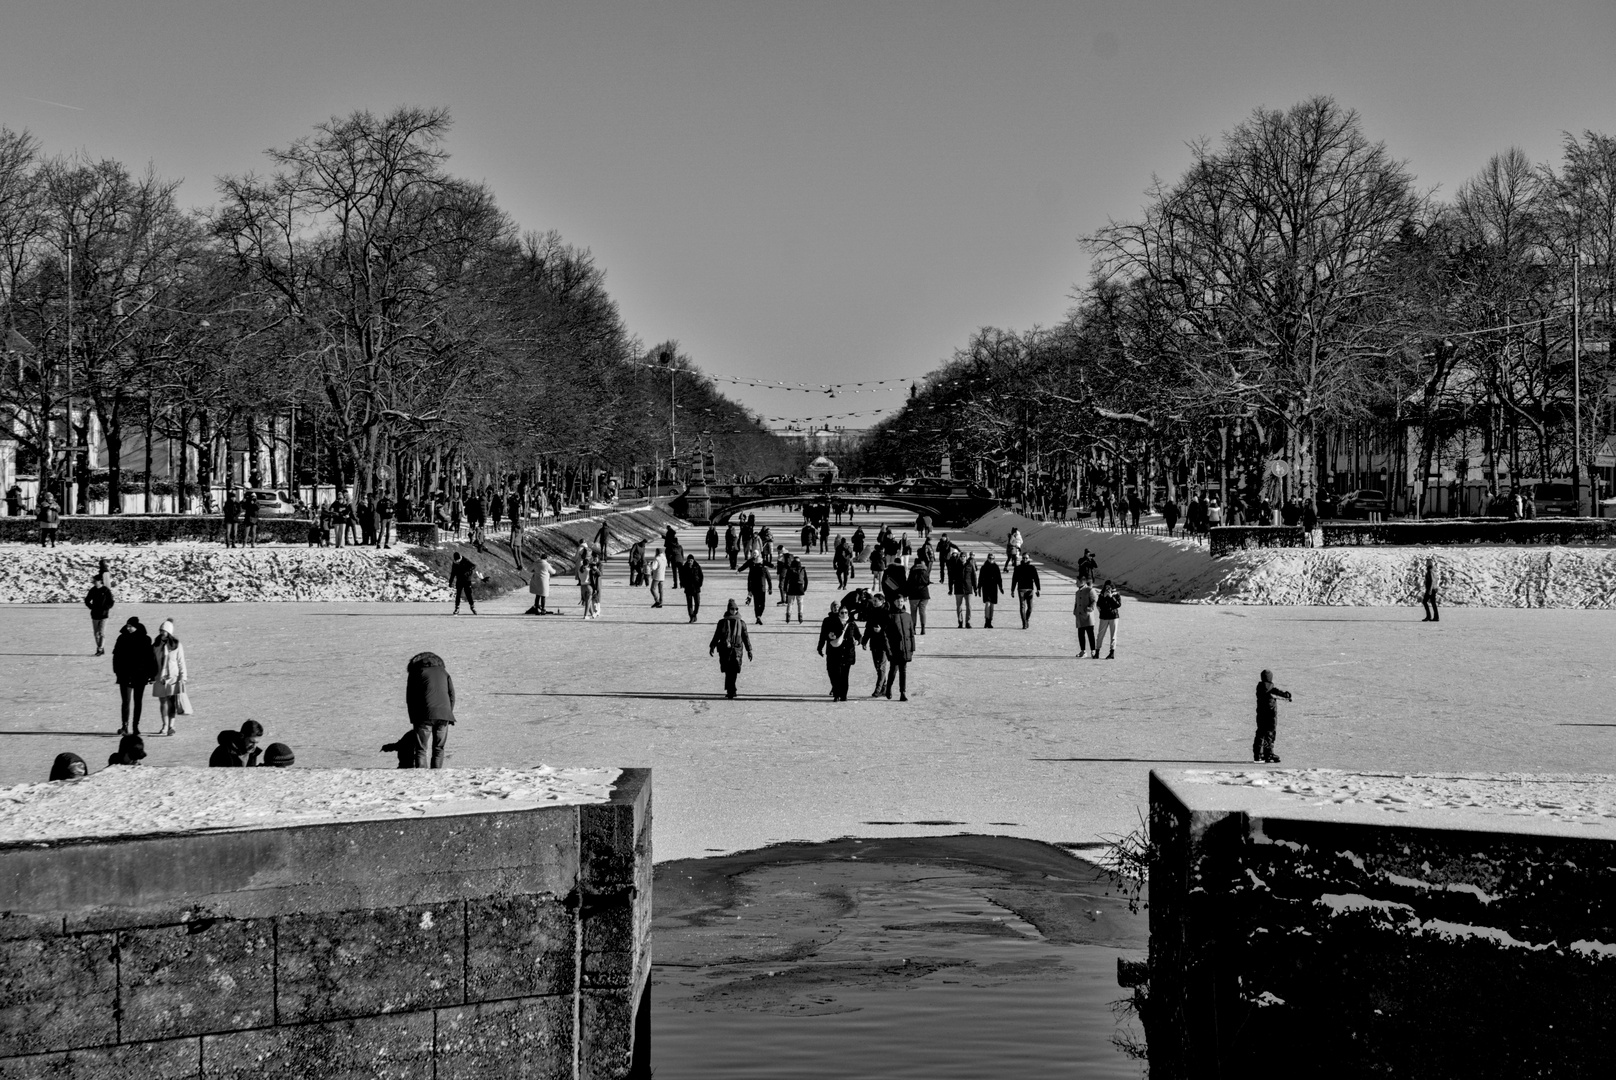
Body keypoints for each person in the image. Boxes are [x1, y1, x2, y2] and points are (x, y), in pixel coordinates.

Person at [406, 651, 456, 769]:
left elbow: (410, 698)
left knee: (421, 749)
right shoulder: (444, 672)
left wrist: (414, 718)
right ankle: (437, 776)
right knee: (439, 748)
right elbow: (452, 695)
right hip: (444, 715)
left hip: (424, 715)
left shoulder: (416, 672)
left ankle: (422, 778)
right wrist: (448, 713)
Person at [112, 617, 156, 735]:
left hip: (140, 675)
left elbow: (150, 658)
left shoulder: (146, 640)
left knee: (138, 701)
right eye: (127, 626)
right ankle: (124, 726)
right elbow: (116, 656)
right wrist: (117, 671)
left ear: (136, 627)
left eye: (130, 626)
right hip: (124, 675)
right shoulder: (121, 638)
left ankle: (135, 726)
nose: (128, 628)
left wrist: (152, 675)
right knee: (125, 701)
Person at [708, 598, 754, 699]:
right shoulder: (722, 622)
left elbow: (746, 637)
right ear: (728, 609)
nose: (734, 611)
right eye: (732, 609)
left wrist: (749, 650)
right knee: (728, 671)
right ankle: (731, 690)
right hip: (725, 649)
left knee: (734, 670)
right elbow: (717, 635)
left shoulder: (741, 623)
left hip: (737, 649)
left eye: (735, 609)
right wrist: (712, 645)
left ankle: (731, 689)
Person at [817, 602, 862, 701]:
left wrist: (857, 642)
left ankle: (843, 695)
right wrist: (823, 644)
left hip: (848, 653)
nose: (844, 614)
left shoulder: (851, 623)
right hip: (834, 652)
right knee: (834, 673)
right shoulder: (830, 621)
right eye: (842, 612)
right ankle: (837, 693)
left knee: (845, 675)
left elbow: (859, 636)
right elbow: (823, 635)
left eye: (846, 612)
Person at [150, 619, 188, 737]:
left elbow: (181, 662)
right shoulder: (156, 645)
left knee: (171, 703)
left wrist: (183, 677)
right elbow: (152, 662)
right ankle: (164, 725)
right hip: (159, 677)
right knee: (163, 702)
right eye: (161, 630)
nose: (162, 633)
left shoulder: (176, 645)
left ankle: (171, 726)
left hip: (173, 677)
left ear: (169, 632)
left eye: (164, 631)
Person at [1253, 668, 1292, 763]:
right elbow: (1282, 694)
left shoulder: (1260, 688)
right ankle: (1268, 754)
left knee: (1260, 733)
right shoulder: (1271, 689)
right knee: (1269, 733)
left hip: (1261, 715)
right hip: (1270, 715)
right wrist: (1287, 695)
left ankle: (1258, 755)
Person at [883, 595, 916, 701]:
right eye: (897, 601)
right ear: (893, 602)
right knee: (893, 670)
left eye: (901, 601)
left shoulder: (907, 616)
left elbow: (911, 633)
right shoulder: (889, 616)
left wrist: (912, 648)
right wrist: (888, 650)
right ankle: (888, 687)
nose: (899, 603)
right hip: (895, 648)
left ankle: (903, 692)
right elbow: (885, 635)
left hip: (906, 648)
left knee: (903, 670)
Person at [85, 573, 114, 656]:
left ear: (100, 581)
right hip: (95, 615)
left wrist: (106, 608)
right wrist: (92, 607)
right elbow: (87, 600)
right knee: (96, 634)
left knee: (101, 632)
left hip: (104, 615)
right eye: (94, 581)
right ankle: (100, 647)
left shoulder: (106, 590)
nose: (94, 582)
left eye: (96, 581)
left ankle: (100, 648)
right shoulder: (93, 590)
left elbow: (111, 602)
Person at [1011, 555, 1041, 629]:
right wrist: (1012, 590)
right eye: (1023, 558)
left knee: (1030, 607)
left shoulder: (1032, 568)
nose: (1025, 559)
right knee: (1022, 606)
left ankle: (1026, 620)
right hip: (1021, 589)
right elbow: (1014, 579)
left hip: (1029, 589)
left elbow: (1036, 579)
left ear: (1029, 559)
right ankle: (1024, 623)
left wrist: (1038, 589)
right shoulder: (1017, 568)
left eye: (1026, 558)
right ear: (1022, 558)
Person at [1095, 581, 1121, 660]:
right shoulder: (1102, 594)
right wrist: (1104, 597)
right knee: (1100, 634)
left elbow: (1118, 605)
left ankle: (1112, 652)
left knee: (1113, 635)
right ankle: (1097, 652)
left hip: (1113, 616)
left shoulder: (1116, 594)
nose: (1107, 588)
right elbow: (1099, 605)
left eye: (1109, 587)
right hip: (1104, 616)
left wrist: (1110, 597)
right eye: (1106, 587)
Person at [744, 555, 773, 624]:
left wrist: (749, 590)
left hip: (754, 588)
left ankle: (758, 616)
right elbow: (769, 579)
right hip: (762, 589)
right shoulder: (765, 569)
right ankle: (759, 616)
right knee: (762, 604)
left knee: (756, 604)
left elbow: (749, 580)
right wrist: (770, 588)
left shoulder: (752, 569)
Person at [1074, 578, 1099, 658]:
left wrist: (1090, 608)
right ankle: (1083, 651)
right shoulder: (1077, 592)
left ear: (1082, 582)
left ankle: (1093, 651)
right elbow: (1076, 602)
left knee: (1090, 634)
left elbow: (1094, 600)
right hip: (1080, 616)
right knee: (1081, 634)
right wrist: (1075, 610)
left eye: (1077, 581)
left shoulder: (1089, 590)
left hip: (1088, 616)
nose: (1076, 583)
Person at [978, 553, 1004, 629]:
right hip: (986, 587)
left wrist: (1000, 587)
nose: (991, 560)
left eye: (992, 558)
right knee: (987, 604)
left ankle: (990, 621)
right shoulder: (984, 567)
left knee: (992, 605)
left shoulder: (996, 567)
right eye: (990, 558)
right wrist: (979, 588)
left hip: (993, 587)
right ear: (987, 558)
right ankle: (986, 620)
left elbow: (999, 578)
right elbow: (980, 578)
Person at [905, 560, 931, 635]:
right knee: (922, 611)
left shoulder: (912, 571)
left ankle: (913, 629)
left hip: (913, 594)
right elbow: (927, 582)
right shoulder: (925, 571)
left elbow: (909, 583)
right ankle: (923, 628)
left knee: (913, 612)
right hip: (924, 593)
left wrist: (906, 593)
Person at [953, 551, 978, 628]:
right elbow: (951, 577)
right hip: (958, 588)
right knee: (959, 606)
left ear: (966, 557)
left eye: (964, 556)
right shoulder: (956, 565)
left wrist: (975, 588)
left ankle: (968, 622)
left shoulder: (970, 565)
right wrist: (950, 588)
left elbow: (974, 577)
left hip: (968, 588)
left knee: (969, 606)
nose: (962, 558)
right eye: (961, 557)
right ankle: (960, 621)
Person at [784, 552, 808, 623]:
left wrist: (785, 589)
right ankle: (800, 616)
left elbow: (786, 580)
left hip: (791, 587)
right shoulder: (802, 569)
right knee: (800, 603)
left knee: (790, 603)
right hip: (800, 588)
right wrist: (805, 588)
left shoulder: (789, 570)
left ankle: (788, 616)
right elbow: (806, 580)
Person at [682, 553, 705, 623]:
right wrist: (683, 584)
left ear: (693, 560)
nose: (690, 562)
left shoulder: (697, 567)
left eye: (691, 560)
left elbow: (701, 576)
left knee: (697, 603)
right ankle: (691, 617)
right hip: (688, 588)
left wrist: (699, 584)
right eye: (688, 560)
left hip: (696, 588)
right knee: (689, 604)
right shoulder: (685, 567)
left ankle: (695, 614)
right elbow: (681, 577)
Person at [1421, 557, 1441, 623]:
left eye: (1426, 563)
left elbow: (1432, 581)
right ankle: (1436, 617)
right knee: (1433, 603)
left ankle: (1428, 616)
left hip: (1430, 589)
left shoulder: (1430, 572)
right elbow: (1436, 580)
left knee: (1424, 601)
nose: (1426, 564)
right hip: (1434, 589)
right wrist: (1436, 587)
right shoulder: (1434, 571)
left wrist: (1429, 590)